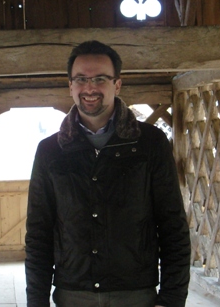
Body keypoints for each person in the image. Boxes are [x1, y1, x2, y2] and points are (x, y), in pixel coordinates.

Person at [25, 40, 190, 307]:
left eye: (100, 79)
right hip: (73, 294)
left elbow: (173, 225)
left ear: (117, 84)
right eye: (81, 79)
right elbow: (38, 234)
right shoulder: (51, 151)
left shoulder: (149, 143)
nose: (90, 88)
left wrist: (172, 299)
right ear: (70, 86)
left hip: (136, 295)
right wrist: (36, 302)